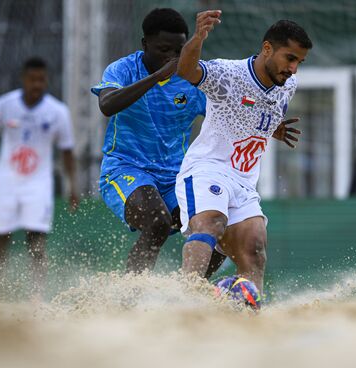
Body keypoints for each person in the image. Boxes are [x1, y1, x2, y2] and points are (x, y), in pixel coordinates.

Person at [91, 8, 296, 275]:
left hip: (174, 176)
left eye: (179, 50)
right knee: (158, 223)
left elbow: (231, 111)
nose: (173, 58)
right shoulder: (123, 69)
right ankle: (131, 294)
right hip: (125, 169)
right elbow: (107, 105)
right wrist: (157, 77)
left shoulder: (191, 82)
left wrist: (269, 126)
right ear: (145, 45)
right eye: (164, 49)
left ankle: (188, 291)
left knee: (216, 227)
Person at [175, 10, 312, 291]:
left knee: (256, 246)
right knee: (211, 222)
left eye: (299, 62)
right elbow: (186, 71)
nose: (294, 68)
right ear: (267, 48)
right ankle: (184, 301)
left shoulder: (288, 85)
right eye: (290, 58)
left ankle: (249, 315)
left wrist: (272, 128)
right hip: (208, 168)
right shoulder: (229, 73)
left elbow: (256, 111)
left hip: (244, 181)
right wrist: (199, 37)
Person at [0, 57, 79, 295]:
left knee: (36, 241)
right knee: (0, 238)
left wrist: (72, 185)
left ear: (47, 81)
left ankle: (36, 295)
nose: (37, 84)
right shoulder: (4, 105)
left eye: (41, 80)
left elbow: (67, 152)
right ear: (23, 79)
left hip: (38, 184)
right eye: (32, 79)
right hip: (6, 182)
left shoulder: (58, 112)